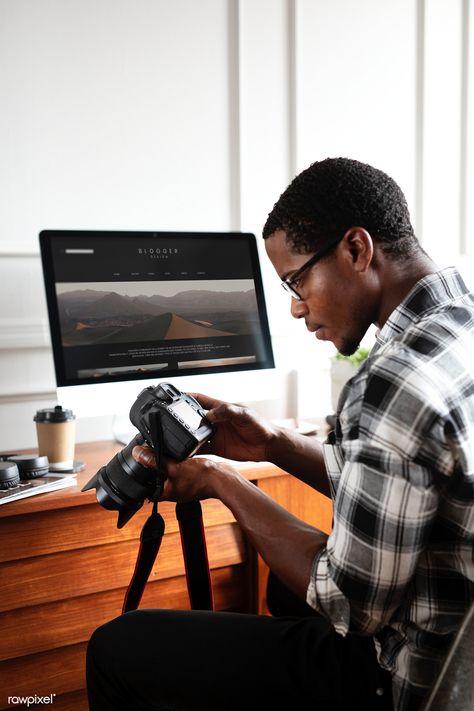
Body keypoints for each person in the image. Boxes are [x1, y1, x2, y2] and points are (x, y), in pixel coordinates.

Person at [86, 158, 474, 710]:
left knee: (118, 646)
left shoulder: (394, 380)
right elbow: (402, 482)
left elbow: (348, 605)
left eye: (296, 280)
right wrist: (273, 445)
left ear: (357, 250)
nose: (295, 307)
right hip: (463, 648)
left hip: (413, 679)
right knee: (278, 589)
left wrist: (220, 478)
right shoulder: (460, 323)